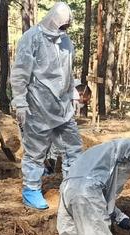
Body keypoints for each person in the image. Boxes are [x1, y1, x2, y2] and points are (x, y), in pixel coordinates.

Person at [11, 2, 82, 210]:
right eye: (61, 25)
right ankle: (31, 189)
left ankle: (72, 188)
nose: (64, 29)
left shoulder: (66, 43)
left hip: (62, 109)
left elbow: (68, 73)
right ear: (52, 20)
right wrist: (20, 103)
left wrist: (73, 94)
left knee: (73, 148)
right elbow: (20, 74)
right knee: (36, 151)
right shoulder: (31, 38)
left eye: (66, 26)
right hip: (38, 107)